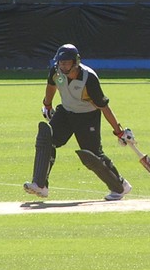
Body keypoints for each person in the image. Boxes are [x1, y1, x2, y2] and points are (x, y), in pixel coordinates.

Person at [24, 44, 135, 202]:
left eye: (66, 62)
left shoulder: (88, 78)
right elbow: (51, 86)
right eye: (60, 62)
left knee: (92, 154)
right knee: (47, 140)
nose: (62, 66)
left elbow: (104, 107)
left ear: (75, 62)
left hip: (87, 116)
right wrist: (47, 105)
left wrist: (119, 131)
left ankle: (120, 186)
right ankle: (40, 185)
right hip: (65, 112)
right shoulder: (56, 71)